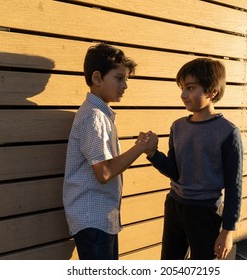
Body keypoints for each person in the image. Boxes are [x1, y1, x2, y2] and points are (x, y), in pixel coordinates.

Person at [139, 58, 243, 260]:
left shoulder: (228, 132)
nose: (183, 95)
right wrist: (153, 153)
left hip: (206, 212)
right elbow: (175, 171)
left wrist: (227, 230)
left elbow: (234, 186)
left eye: (190, 88)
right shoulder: (177, 126)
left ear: (211, 92)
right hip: (175, 206)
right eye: (182, 88)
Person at [63, 43, 151, 260]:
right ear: (97, 78)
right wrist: (140, 147)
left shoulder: (99, 114)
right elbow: (103, 173)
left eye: (126, 80)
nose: (125, 85)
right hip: (94, 220)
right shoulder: (93, 116)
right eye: (119, 78)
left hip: (98, 219)